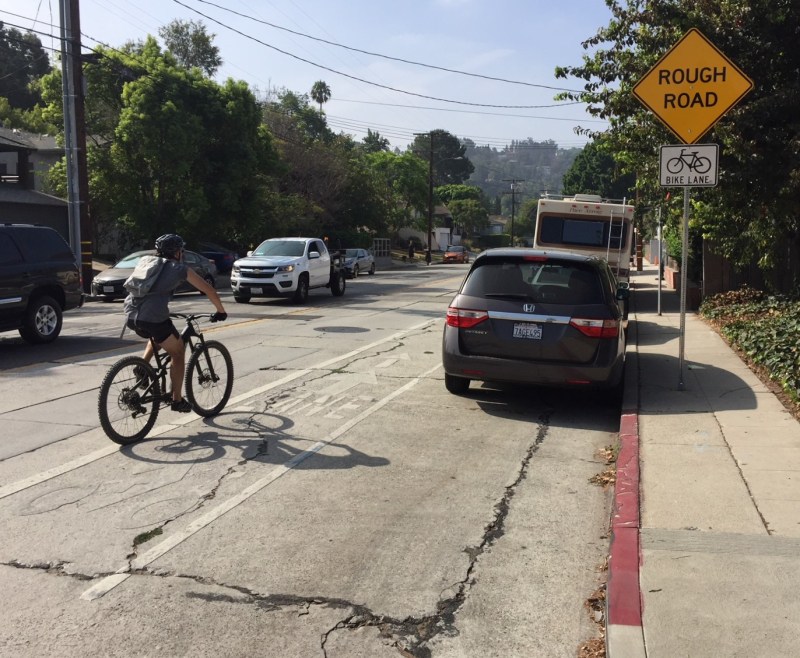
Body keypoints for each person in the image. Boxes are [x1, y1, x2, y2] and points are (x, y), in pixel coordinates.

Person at [124, 234, 227, 413]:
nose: (183, 253)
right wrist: (220, 310)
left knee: (159, 334)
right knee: (178, 351)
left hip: (131, 314)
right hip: (153, 316)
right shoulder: (179, 268)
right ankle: (177, 400)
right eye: (182, 249)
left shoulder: (146, 261)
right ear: (177, 252)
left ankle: (142, 367)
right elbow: (208, 289)